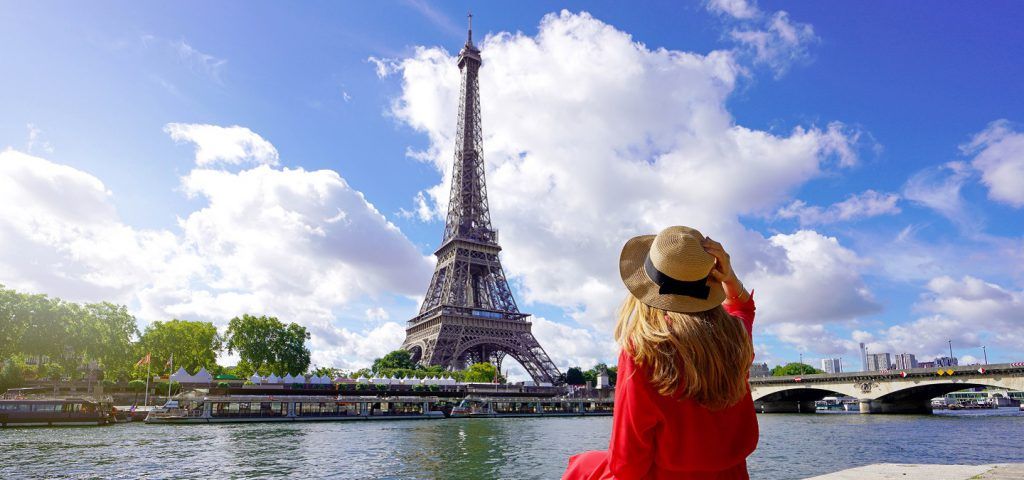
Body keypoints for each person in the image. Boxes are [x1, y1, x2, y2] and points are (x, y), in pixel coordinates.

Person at [563, 226, 758, 480]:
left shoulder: (642, 351)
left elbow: (628, 465)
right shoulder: (736, 337)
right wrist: (730, 278)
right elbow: (743, 308)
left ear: (648, 285)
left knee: (581, 467)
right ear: (710, 281)